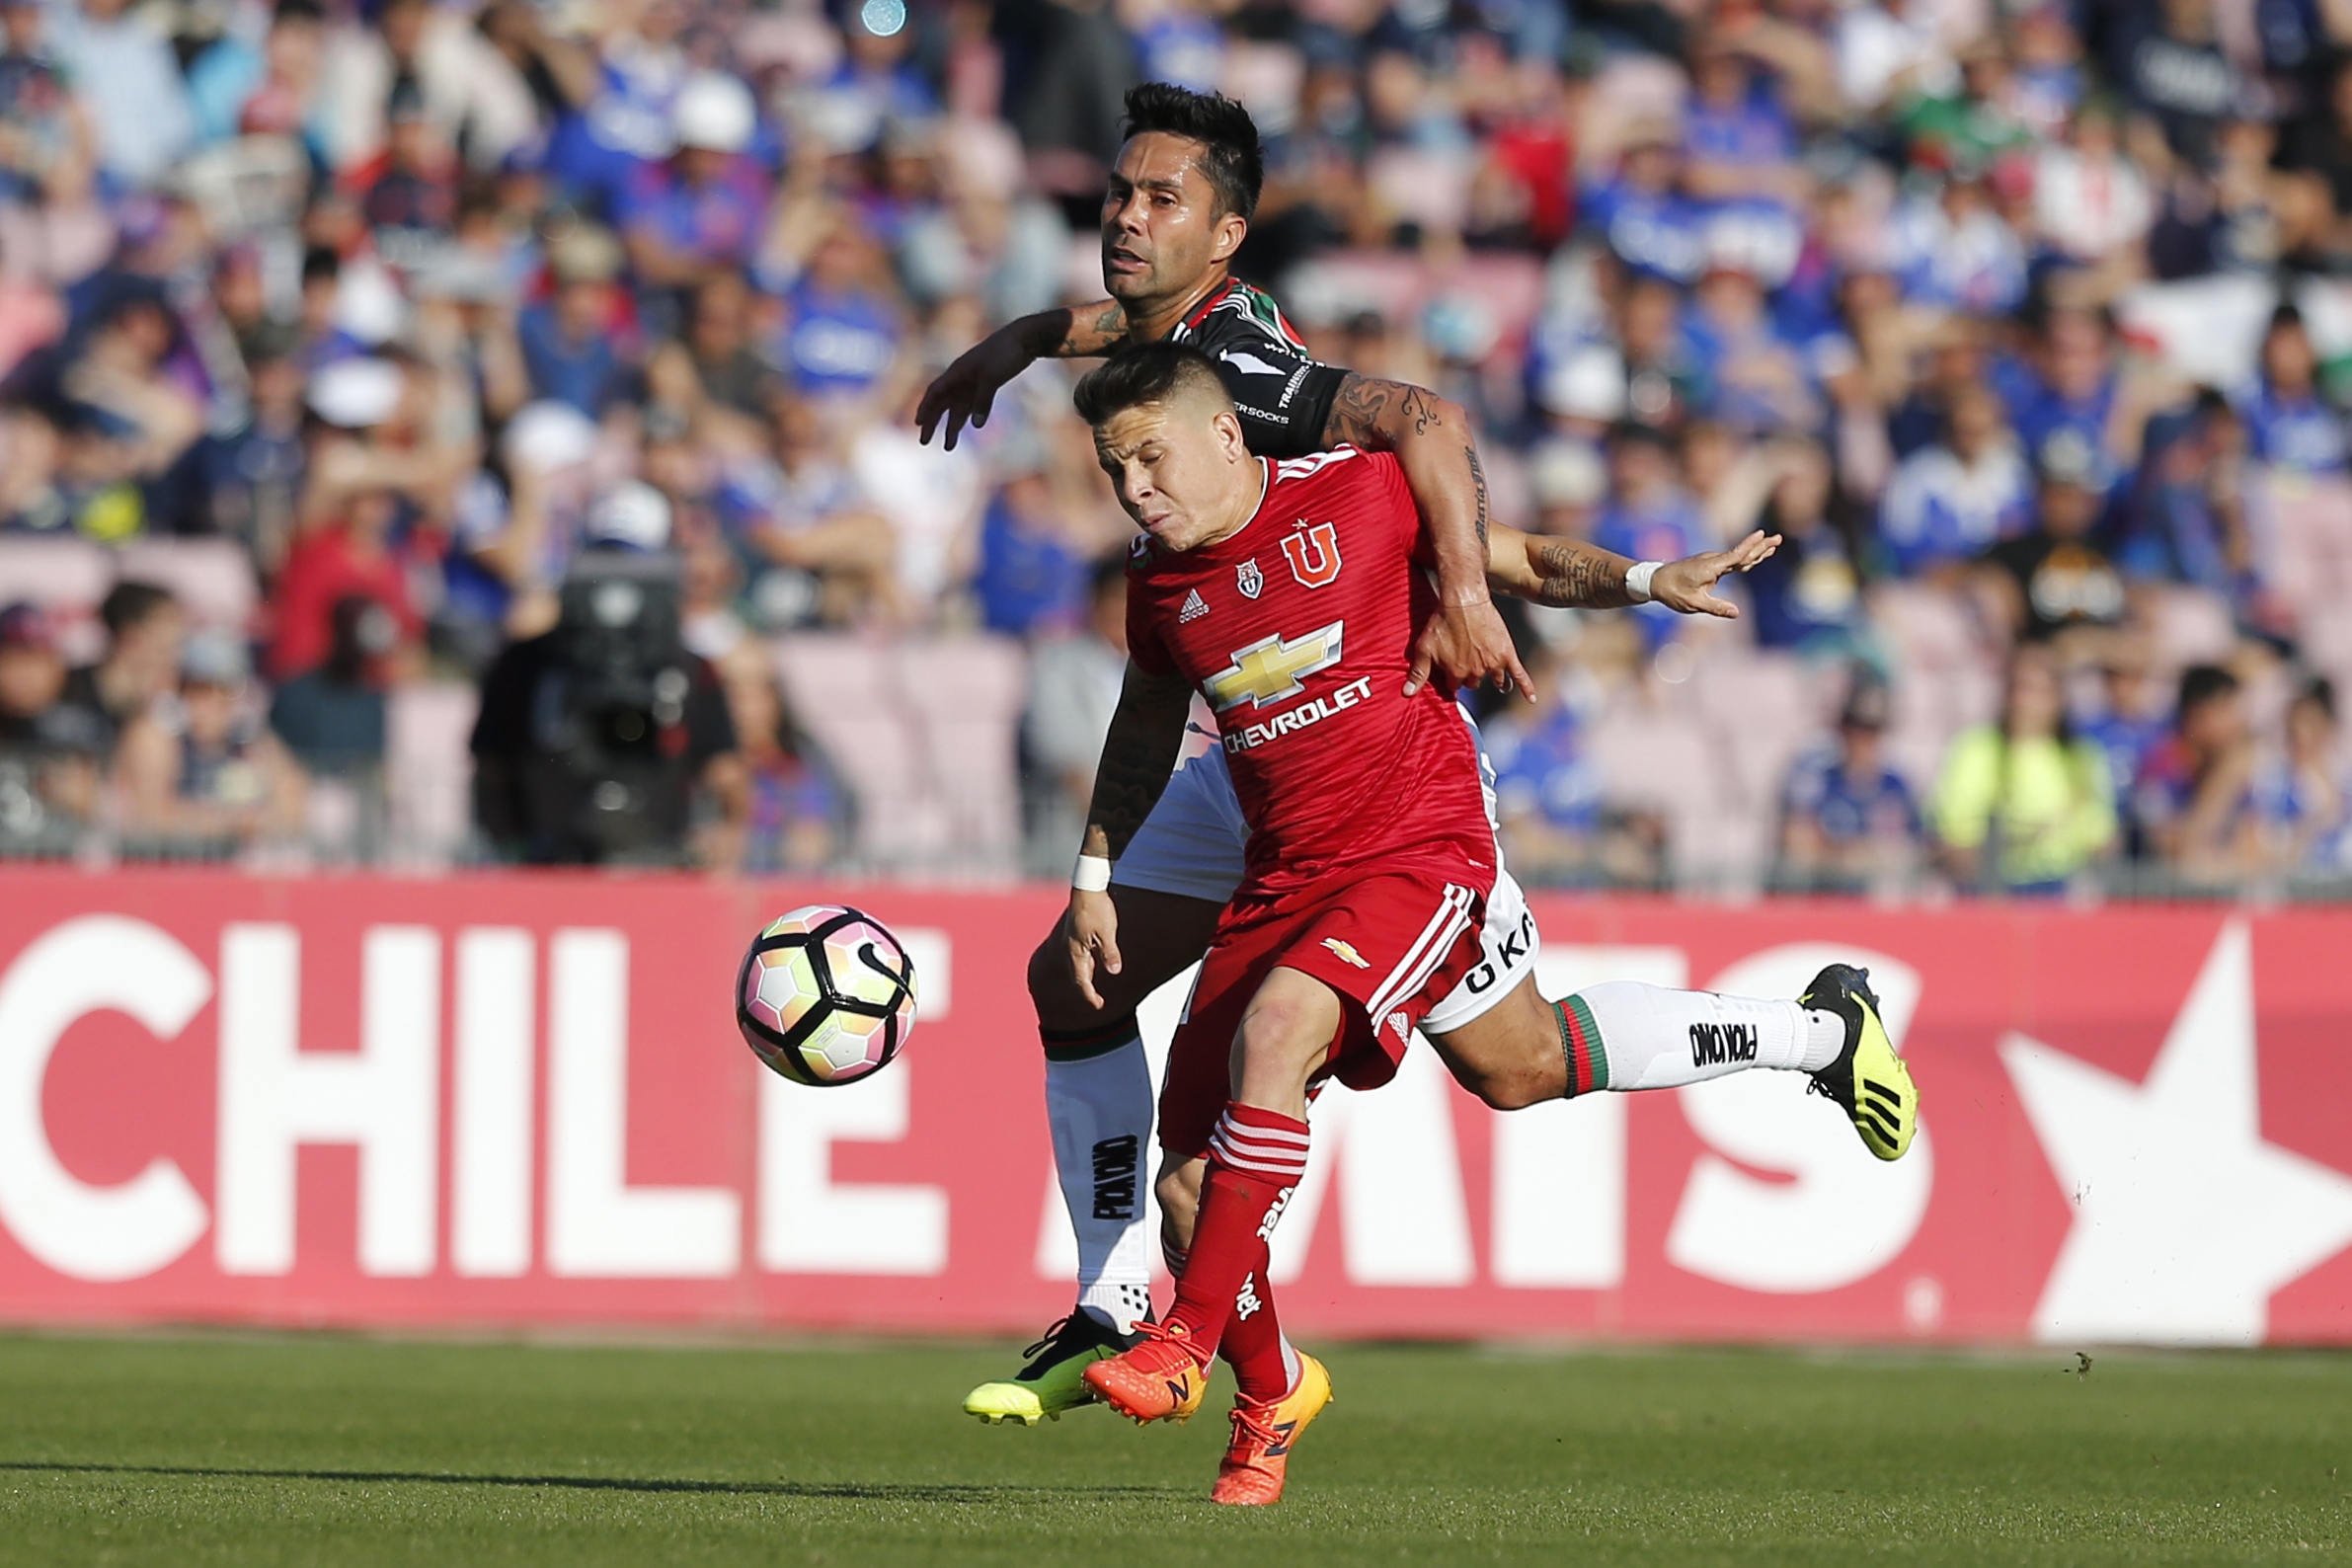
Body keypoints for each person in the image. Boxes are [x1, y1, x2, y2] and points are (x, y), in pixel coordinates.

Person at [939, 86, 1913, 1433]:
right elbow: (1124, 337)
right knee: (1073, 976)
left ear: (1224, 237)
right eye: (1117, 191)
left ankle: (1817, 1029)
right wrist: (1019, 339)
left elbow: (1429, 424)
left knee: (1514, 1067)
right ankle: (1115, 1303)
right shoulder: (1172, 367)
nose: (1122, 215)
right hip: (1253, 778)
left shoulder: (1255, 390)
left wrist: (1500, 589)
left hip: (1390, 783)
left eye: (1156, 198)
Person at [1057, 345, 1919, 1504]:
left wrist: (1650, 578)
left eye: (1152, 455)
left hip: (1420, 845)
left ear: (1226, 436)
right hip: (1286, 869)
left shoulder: (1356, 492)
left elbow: (1516, 562)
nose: (1137, 486)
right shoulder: (1162, 581)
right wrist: (1092, 873)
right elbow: (1143, 723)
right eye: (1117, 467)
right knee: (1211, 1181)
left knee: (1279, 1032)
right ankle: (1272, 1395)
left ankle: (1183, 1345)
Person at [1930, 643, 2116, 894]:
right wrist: (2023, 836)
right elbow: (1956, 835)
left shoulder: (2081, 757)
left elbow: (2101, 838)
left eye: (2040, 691)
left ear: (2058, 698)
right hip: (1990, 888)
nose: (2026, 702)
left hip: (2062, 890)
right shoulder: (1976, 749)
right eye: (2021, 688)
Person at [1775, 678, 1922, 893]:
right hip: (1825, 901)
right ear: (1842, 730)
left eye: (1873, 731)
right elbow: (1797, 845)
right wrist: (1845, 856)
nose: (1864, 740)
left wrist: (1871, 858)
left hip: (1882, 905)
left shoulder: (1897, 786)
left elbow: (1917, 851)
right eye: (1856, 729)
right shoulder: (1818, 779)